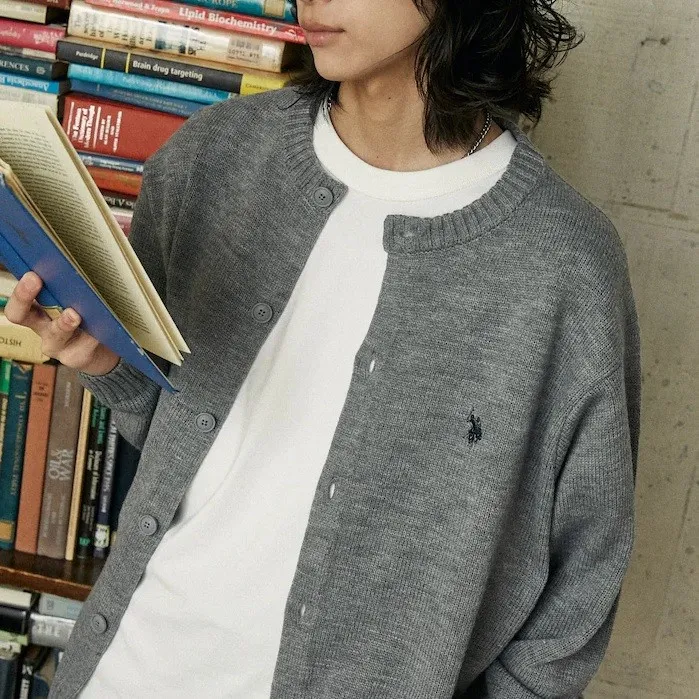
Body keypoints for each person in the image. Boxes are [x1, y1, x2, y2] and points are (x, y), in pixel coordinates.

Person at [7, 0, 642, 697]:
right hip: (125, 671)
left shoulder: (561, 264)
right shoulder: (214, 154)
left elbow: (578, 588)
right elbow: (188, 437)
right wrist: (106, 364)